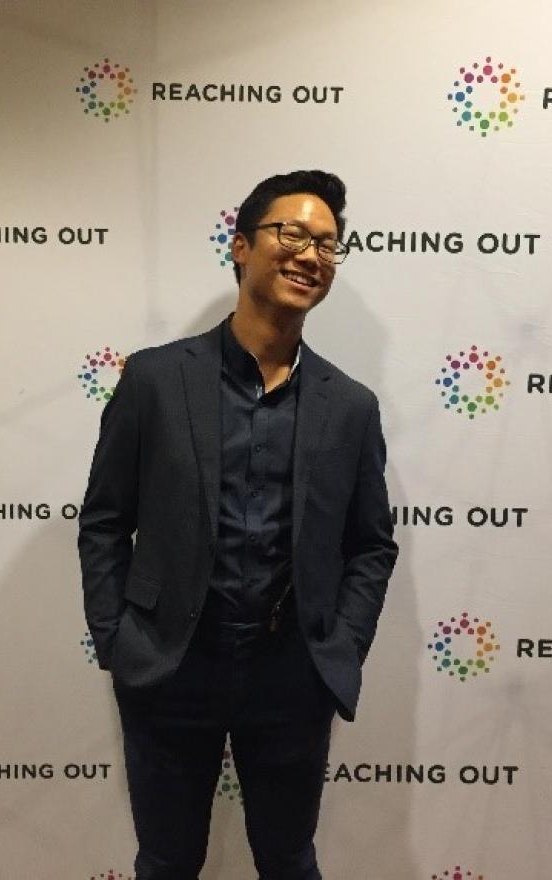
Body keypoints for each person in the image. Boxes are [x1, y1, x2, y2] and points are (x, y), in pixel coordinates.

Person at [78, 169, 398, 880]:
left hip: (292, 673)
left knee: (288, 861)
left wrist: (339, 646)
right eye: (292, 234)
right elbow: (103, 520)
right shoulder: (156, 380)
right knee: (167, 863)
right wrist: (117, 638)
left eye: (327, 244)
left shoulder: (350, 405)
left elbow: (371, 544)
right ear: (242, 245)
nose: (310, 255)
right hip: (169, 663)